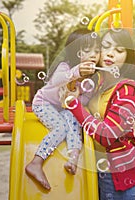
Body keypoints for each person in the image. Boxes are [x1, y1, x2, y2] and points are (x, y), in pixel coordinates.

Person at [66, 28, 135, 200]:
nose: (110, 54)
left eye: (119, 50)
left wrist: (73, 104)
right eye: (106, 46)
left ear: (127, 57)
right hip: (99, 170)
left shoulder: (128, 91)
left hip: (117, 175)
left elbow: (108, 135)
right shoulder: (98, 84)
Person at [25, 28, 101, 190]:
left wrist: (80, 94)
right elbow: (56, 81)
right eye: (88, 50)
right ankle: (36, 162)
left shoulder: (92, 78)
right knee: (61, 127)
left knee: (74, 124)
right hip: (44, 104)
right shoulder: (65, 67)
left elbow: (84, 100)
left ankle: (73, 158)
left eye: (97, 51)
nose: (94, 55)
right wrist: (76, 72)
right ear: (75, 52)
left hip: (63, 108)